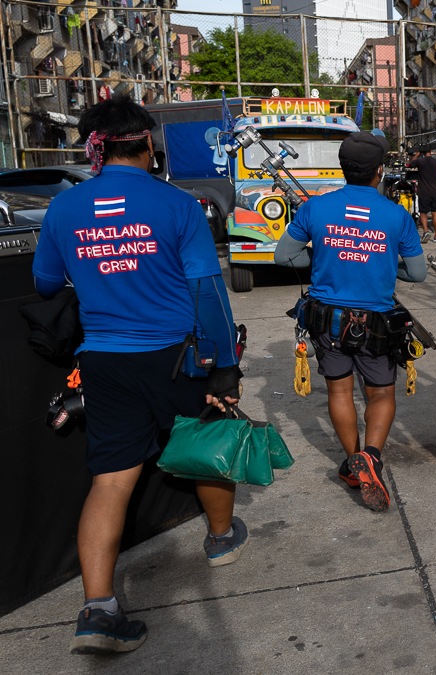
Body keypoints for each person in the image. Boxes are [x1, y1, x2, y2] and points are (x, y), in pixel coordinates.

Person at [31, 96, 246, 655]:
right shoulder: (177, 204)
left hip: (104, 361)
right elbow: (207, 291)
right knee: (203, 446)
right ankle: (221, 538)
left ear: (96, 149)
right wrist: (225, 367)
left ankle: (98, 609)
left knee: (110, 481)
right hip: (175, 357)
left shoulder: (63, 207)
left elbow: (45, 283)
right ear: (148, 143)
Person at [275, 131, 426, 512]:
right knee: (381, 394)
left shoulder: (315, 207)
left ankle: (353, 460)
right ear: (380, 171)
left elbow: (283, 256)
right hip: (376, 322)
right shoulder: (396, 215)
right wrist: (384, 265)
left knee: (339, 393)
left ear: (343, 168)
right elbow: (418, 273)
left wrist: (325, 257)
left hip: (327, 320)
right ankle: (370, 457)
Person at [410, 149, 436, 243]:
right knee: (435, 213)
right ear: (431, 150)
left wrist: (417, 154)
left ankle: (426, 232)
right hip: (435, 192)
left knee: (423, 213)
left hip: (423, 192)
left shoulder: (420, 161)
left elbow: (410, 164)